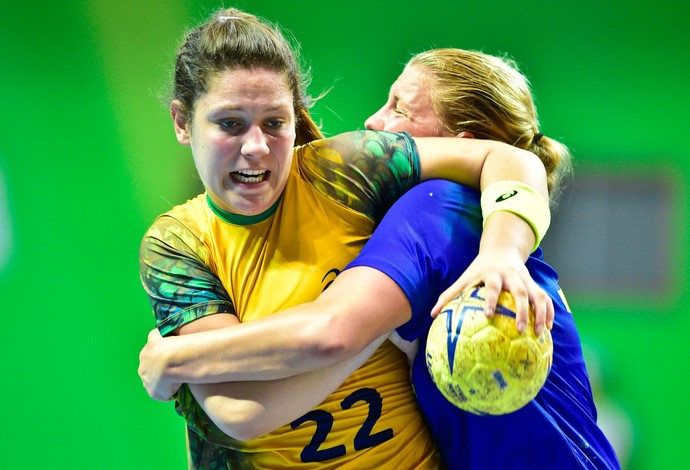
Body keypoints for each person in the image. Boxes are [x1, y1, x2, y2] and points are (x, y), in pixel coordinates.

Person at [140, 44, 620, 469]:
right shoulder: (492, 228)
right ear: (184, 122)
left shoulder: (435, 210)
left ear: (460, 144)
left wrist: (175, 356)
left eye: (398, 108)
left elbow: (330, 333)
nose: (374, 125)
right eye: (229, 122)